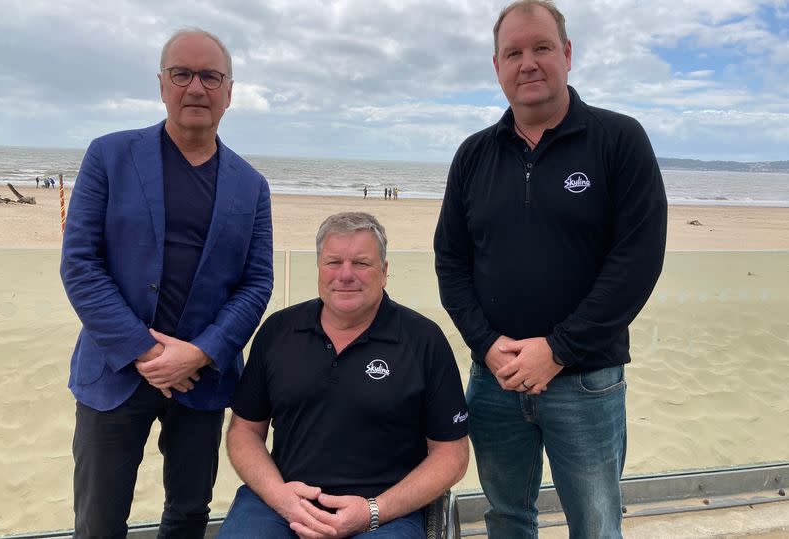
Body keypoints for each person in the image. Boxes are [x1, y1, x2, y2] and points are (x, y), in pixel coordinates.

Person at [433, 1, 667, 537]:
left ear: (567, 54)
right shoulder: (473, 154)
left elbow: (636, 262)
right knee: (507, 517)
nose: (528, 63)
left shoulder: (618, 140)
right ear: (497, 67)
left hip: (586, 382)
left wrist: (558, 350)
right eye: (513, 53)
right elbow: (451, 262)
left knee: (596, 522)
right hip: (494, 379)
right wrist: (487, 345)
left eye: (541, 48)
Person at [60, 28, 274, 538]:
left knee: (188, 515)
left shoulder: (251, 184)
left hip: (202, 381)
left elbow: (255, 282)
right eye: (182, 74)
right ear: (162, 83)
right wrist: (146, 352)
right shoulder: (109, 156)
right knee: (98, 520)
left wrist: (200, 353)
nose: (195, 87)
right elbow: (80, 264)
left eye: (209, 76)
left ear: (229, 90)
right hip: (114, 374)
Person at [218, 212, 469, 538]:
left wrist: (373, 511)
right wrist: (280, 496)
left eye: (361, 263)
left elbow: (452, 455)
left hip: (385, 511)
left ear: (385, 272)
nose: (345, 275)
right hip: (283, 501)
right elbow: (243, 433)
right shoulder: (278, 332)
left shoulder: (424, 340)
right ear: (320, 269)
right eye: (333, 262)